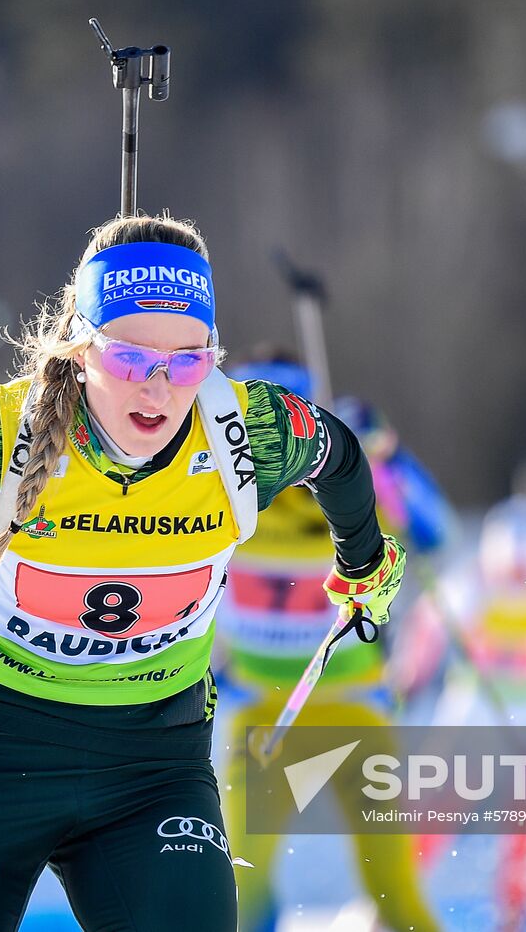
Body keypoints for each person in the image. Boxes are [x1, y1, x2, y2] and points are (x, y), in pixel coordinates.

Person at [0, 214, 409, 932]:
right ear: (80, 348)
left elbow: (340, 456)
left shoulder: (243, 433)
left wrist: (364, 563)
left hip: (152, 768)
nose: (159, 390)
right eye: (131, 360)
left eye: (189, 362)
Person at [215, 356, 449, 932]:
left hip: (355, 711)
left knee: (394, 894)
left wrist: (390, 456)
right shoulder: (217, 489)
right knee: (239, 888)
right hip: (266, 716)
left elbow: (436, 533)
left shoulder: (356, 485)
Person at [428, 492, 526, 931]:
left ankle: (516, 916)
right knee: (433, 819)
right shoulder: (468, 587)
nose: (516, 581)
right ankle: (388, 905)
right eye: (509, 571)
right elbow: (429, 632)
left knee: (525, 830)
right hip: (475, 723)